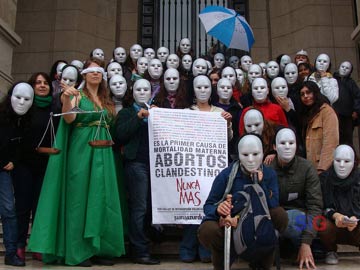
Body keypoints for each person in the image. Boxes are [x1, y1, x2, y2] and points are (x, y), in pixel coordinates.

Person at [28, 58, 125, 266]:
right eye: (91, 71)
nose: (95, 74)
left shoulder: (106, 99)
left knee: (101, 198)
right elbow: (70, 119)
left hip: (103, 152)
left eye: (99, 71)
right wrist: (65, 98)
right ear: (84, 75)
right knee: (78, 199)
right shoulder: (77, 95)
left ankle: (99, 247)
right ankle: (78, 250)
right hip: (82, 150)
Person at [198, 134, 288, 270]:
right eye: (245, 155)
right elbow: (208, 205)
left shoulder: (269, 174)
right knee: (207, 229)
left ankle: (262, 260)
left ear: (263, 153)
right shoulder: (226, 175)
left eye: (255, 154)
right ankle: (223, 260)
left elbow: (273, 204)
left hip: (258, 225)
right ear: (239, 155)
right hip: (232, 225)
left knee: (280, 215)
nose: (251, 160)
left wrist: (260, 184)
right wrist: (218, 209)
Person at [13, 73, 61, 262]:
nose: (42, 86)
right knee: (23, 207)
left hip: (46, 164)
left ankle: (38, 244)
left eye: (45, 83)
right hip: (24, 164)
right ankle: (19, 245)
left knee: (40, 207)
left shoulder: (54, 108)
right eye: (37, 83)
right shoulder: (25, 107)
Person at [115, 78, 160, 265]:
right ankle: (139, 250)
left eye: (146, 89)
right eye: (138, 89)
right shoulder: (126, 113)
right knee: (139, 208)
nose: (142, 92)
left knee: (150, 206)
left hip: (157, 166)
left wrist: (159, 116)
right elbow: (119, 135)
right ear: (132, 93)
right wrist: (138, 117)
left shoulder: (158, 111)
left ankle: (147, 244)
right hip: (136, 165)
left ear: (151, 92)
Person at [270, 128, 323, 270]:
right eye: (282, 143)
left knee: (296, 218)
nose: (287, 147)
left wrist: (306, 243)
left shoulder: (307, 168)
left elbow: (315, 206)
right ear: (274, 147)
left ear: (296, 145)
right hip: (273, 220)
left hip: (299, 220)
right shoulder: (266, 168)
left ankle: (303, 247)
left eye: (291, 142)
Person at [0, 82, 34, 267]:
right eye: (18, 97)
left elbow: (22, 145)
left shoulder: (24, 121)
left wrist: (13, 159)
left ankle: (12, 252)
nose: (21, 102)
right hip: (2, 166)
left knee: (8, 209)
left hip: (7, 169)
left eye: (27, 99)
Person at [319, 144, 360, 265]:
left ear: (354, 162)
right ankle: (330, 250)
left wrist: (356, 219)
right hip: (334, 226)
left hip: (356, 226)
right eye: (338, 161)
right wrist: (335, 215)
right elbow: (318, 206)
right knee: (319, 222)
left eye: (347, 161)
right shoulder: (324, 179)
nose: (342, 165)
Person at [298, 81, 339, 174]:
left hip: (323, 169)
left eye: (308, 92)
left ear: (315, 93)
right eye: (302, 94)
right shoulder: (306, 114)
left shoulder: (327, 112)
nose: (305, 96)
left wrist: (322, 169)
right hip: (310, 167)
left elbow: (331, 143)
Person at [333, 61, 360, 146]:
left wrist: (356, 110)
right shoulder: (332, 80)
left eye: (347, 68)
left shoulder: (351, 83)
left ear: (350, 71)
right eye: (342, 66)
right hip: (334, 113)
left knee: (347, 138)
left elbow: (357, 96)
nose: (344, 69)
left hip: (347, 115)